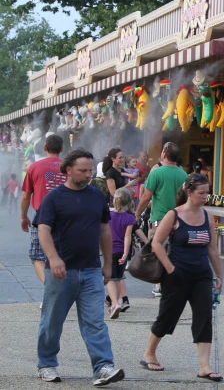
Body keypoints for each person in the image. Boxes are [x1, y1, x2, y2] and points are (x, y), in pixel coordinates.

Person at [33, 148, 125, 385]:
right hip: (62, 273)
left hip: (92, 270)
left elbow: (105, 229)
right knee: (52, 321)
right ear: (68, 170)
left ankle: (103, 367)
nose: (88, 175)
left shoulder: (96, 196)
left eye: (90, 171)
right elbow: (42, 230)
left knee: (95, 321)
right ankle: (47, 364)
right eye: (83, 171)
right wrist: (53, 259)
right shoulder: (54, 198)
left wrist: (107, 263)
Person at [141, 173, 224, 382]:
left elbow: (212, 249)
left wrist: (219, 276)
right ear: (189, 192)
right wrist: (170, 269)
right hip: (177, 275)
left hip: (202, 276)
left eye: (207, 193)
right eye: (201, 193)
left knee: (204, 317)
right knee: (168, 315)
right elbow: (157, 243)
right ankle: (149, 353)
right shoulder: (174, 215)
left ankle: (204, 366)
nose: (206, 197)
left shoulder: (207, 216)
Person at [135, 142, 188, 297]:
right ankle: (174, 283)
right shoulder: (183, 175)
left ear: (164, 154)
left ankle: (159, 285)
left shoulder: (156, 173)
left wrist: (137, 214)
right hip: (178, 221)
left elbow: (146, 197)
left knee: (158, 252)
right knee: (175, 254)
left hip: (159, 221)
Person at [20, 135, 67, 290]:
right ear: (61, 149)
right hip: (66, 216)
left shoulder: (34, 167)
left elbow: (26, 195)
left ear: (45, 148)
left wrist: (23, 217)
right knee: (62, 252)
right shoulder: (68, 167)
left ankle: (50, 288)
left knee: (37, 255)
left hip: (42, 217)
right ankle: (60, 287)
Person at [106, 188, 148, 319]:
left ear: (114, 200)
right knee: (118, 278)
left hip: (110, 251)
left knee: (110, 279)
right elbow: (127, 237)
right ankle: (117, 301)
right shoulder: (129, 218)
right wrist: (125, 254)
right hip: (122, 251)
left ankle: (114, 303)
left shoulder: (108, 215)